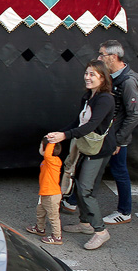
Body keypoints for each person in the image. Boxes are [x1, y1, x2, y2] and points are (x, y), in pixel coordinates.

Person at [45, 61, 116, 252]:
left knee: (85, 188)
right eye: (86, 73)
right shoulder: (89, 96)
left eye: (92, 74)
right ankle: (85, 224)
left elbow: (91, 125)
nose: (87, 77)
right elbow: (77, 121)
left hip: (98, 149)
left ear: (102, 77)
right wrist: (58, 133)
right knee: (78, 183)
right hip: (85, 146)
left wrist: (64, 136)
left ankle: (100, 231)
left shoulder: (105, 99)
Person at [96, 40, 138, 223]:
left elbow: (134, 114)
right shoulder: (114, 76)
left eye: (102, 55)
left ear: (113, 57)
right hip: (109, 134)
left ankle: (124, 211)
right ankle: (73, 201)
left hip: (116, 138)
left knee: (119, 171)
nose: (99, 58)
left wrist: (118, 140)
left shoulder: (127, 82)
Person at [25, 140, 63, 245]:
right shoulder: (49, 161)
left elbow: (47, 154)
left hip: (51, 194)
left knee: (53, 216)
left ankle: (57, 236)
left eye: (40, 146)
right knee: (40, 211)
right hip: (45, 193)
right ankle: (40, 228)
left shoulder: (52, 161)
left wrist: (51, 141)